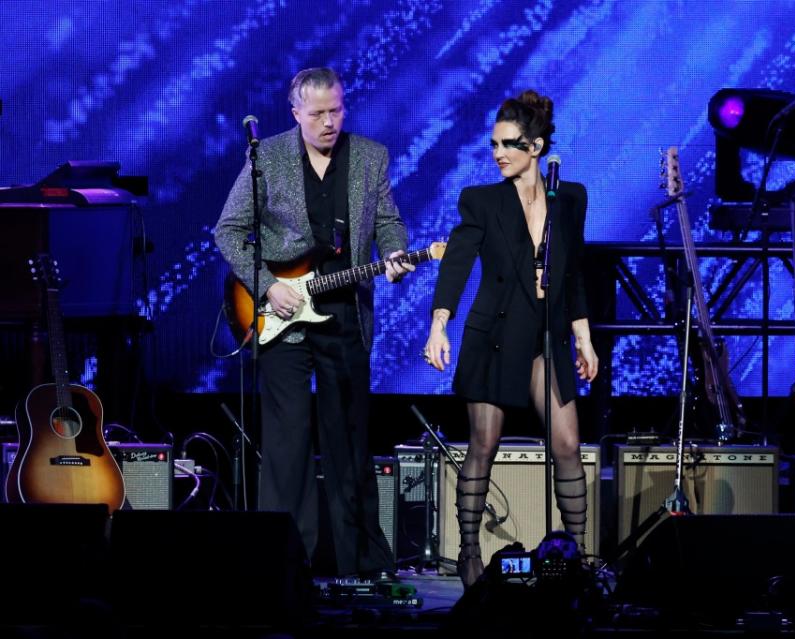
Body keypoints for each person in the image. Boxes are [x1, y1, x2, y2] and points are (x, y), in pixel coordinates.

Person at [215, 67, 413, 578]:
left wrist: (393, 255)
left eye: (337, 110)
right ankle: (282, 567)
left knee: (348, 440)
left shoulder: (370, 157)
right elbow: (229, 231)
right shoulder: (267, 157)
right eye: (318, 112)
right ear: (295, 112)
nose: (329, 121)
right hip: (281, 317)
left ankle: (359, 566)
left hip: (344, 315)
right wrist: (266, 285)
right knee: (287, 444)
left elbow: (388, 222)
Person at [424, 90, 599, 588]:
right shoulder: (481, 200)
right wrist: (439, 324)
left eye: (509, 144)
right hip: (495, 334)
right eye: (494, 144)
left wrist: (582, 337)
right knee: (484, 444)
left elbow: (573, 274)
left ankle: (576, 556)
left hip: (545, 335)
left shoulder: (571, 199)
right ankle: (470, 552)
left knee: (567, 444)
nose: (499, 153)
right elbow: (458, 261)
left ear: (537, 147)